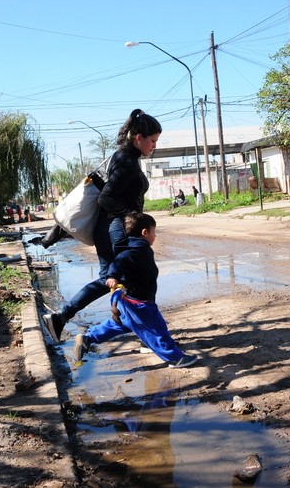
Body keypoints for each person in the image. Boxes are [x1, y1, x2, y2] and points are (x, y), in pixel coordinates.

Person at [42, 109, 162, 342]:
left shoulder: (123, 157)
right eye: (153, 141)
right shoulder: (127, 161)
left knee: (111, 279)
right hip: (116, 229)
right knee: (132, 279)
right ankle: (144, 332)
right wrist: (132, 218)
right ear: (139, 138)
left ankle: (66, 318)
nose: (154, 146)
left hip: (109, 228)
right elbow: (106, 198)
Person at [73, 212, 198, 368]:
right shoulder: (135, 251)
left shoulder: (137, 248)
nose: (155, 235)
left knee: (118, 325)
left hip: (129, 301)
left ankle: (87, 338)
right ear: (144, 233)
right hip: (139, 303)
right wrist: (112, 276)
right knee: (157, 328)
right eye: (153, 232)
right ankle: (174, 358)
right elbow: (119, 262)